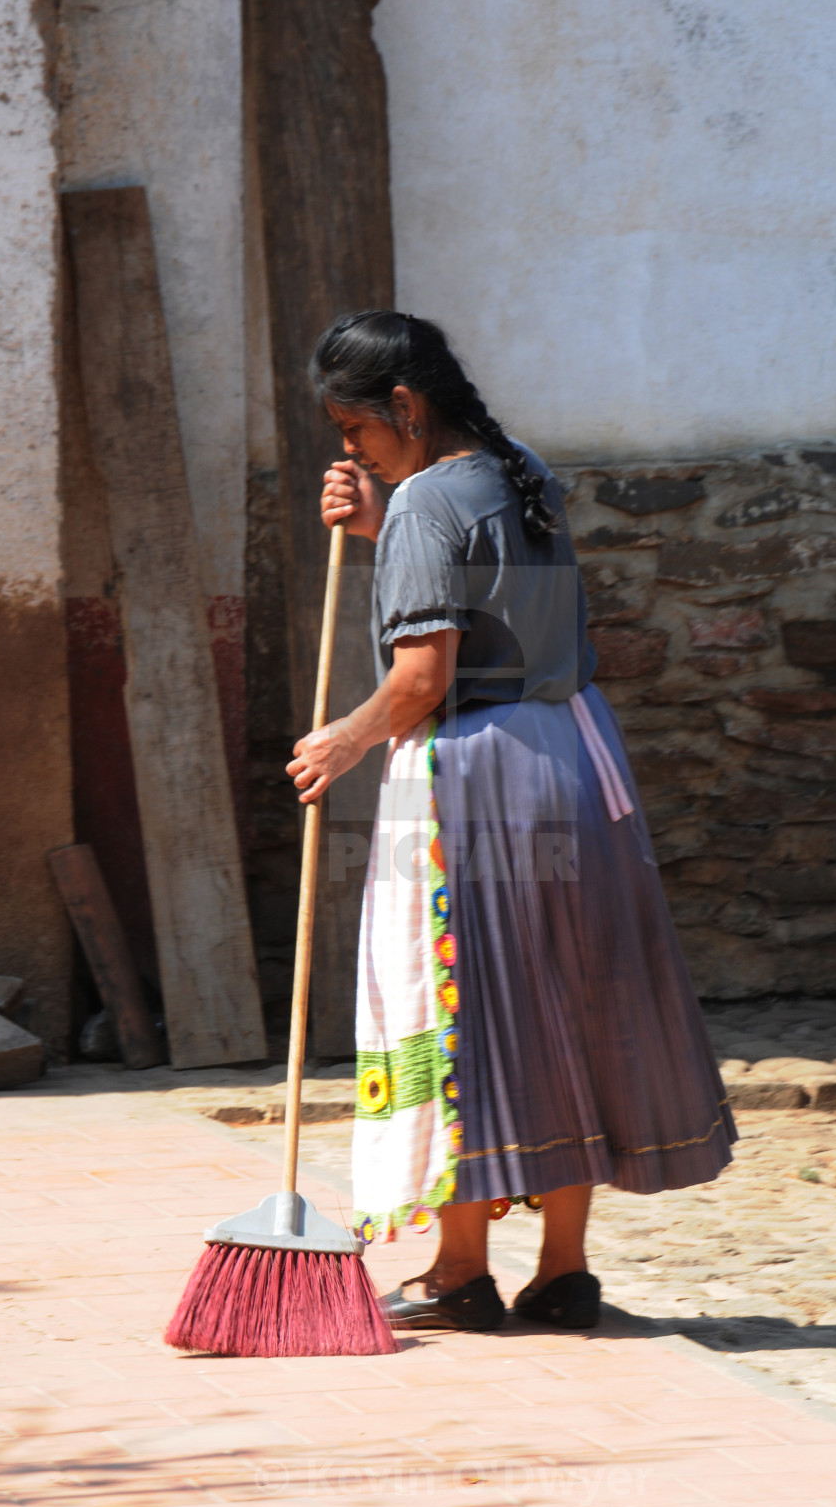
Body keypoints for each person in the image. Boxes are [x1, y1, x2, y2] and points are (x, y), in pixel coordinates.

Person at [287, 311, 735, 1332]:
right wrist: (378, 524)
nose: (350, 452)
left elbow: (422, 678)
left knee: (469, 1015)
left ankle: (457, 1271)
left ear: (403, 406)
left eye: (354, 431)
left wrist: (340, 740)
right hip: (577, 757)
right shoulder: (514, 466)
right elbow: (500, 601)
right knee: (567, 1004)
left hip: (478, 778)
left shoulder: (427, 507)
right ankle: (563, 1269)